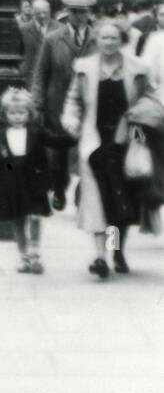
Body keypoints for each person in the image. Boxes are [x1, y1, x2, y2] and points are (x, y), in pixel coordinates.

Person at [61, 18, 152, 278]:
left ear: (121, 40)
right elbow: (73, 99)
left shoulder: (138, 68)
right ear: (96, 40)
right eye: (104, 38)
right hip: (95, 141)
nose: (109, 42)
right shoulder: (84, 67)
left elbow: (151, 98)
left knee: (121, 201)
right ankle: (100, 257)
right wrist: (71, 119)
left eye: (114, 38)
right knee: (98, 201)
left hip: (127, 141)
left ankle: (118, 252)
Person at [33, 0, 97, 210]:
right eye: (74, 12)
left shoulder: (98, 39)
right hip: (57, 104)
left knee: (86, 152)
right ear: (67, 13)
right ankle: (59, 189)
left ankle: (82, 191)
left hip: (89, 105)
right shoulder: (52, 39)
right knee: (58, 153)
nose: (78, 17)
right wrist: (38, 104)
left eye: (83, 12)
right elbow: (41, 73)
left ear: (89, 14)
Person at [0, 87, 51, 273]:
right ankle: (23, 256)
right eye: (12, 113)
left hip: (33, 183)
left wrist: (72, 136)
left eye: (21, 112)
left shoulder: (36, 133)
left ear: (29, 113)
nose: (17, 116)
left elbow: (51, 146)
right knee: (18, 220)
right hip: (12, 185)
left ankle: (35, 253)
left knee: (35, 216)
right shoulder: (0, 137)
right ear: (5, 114)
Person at [19, 0, 46, 87]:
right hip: (28, 75)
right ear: (33, 12)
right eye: (39, 12)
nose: (42, 15)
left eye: (45, 12)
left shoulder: (55, 29)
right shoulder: (24, 30)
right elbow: (20, 52)